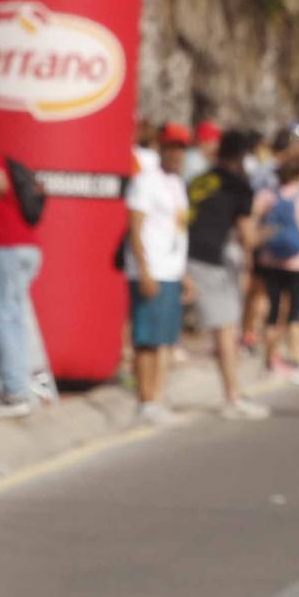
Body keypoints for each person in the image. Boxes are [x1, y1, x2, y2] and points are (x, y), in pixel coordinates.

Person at [186, 129, 268, 419]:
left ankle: (233, 391)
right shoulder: (239, 187)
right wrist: (270, 230)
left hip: (182, 255)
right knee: (225, 328)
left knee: (222, 327)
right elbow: (248, 237)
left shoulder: (199, 180)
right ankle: (232, 396)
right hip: (211, 260)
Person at [125, 124, 193, 423]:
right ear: (162, 149)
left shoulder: (177, 184)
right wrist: (144, 270)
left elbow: (177, 230)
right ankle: (145, 399)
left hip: (171, 271)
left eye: (181, 148)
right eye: (172, 147)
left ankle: (158, 397)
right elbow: (136, 228)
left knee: (165, 339)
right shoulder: (145, 182)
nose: (177, 154)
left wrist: (184, 273)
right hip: (150, 270)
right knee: (147, 339)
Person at [0, 131, 44, 418]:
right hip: (24, 246)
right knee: (13, 317)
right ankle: (19, 387)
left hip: (3, 246)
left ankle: (14, 392)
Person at [251, 154, 299, 380]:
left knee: (273, 311)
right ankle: (294, 359)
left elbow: (255, 222)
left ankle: (269, 359)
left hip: (270, 259)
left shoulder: (267, 196)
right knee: (294, 313)